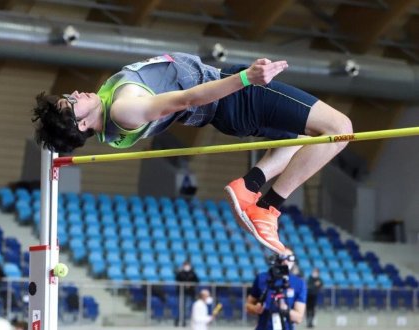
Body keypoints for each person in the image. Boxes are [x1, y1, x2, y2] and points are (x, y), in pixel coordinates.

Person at [32, 52, 352, 254]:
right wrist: (245, 79)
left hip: (229, 101)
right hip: (237, 97)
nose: (74, 93)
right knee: (340, 128)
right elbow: (185, 101)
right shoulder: (124, 109)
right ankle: (267, 206)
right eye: (71, 103)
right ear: (83, 122)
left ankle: (251, 186)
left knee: (299, 138)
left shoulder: (104, 104)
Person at [246, 248, 306, 330]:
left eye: (290, 258)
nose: (286, 261)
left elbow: (298, 318)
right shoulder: (262, 278)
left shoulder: (299, 283)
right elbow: (248, 306)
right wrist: (255, 309)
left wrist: (284, 309)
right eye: (283, 257)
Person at [175, 260, 199, 326]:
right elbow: (177, 281)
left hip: (189, 293)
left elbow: (197, 281)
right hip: (181, 293)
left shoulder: (193, 273)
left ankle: (183, 321)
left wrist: (191, 285)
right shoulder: (180, 273)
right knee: (180, 307)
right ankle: (178, 320)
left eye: (188, 265)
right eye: (185, 265)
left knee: (186, 307)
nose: (187, 266)